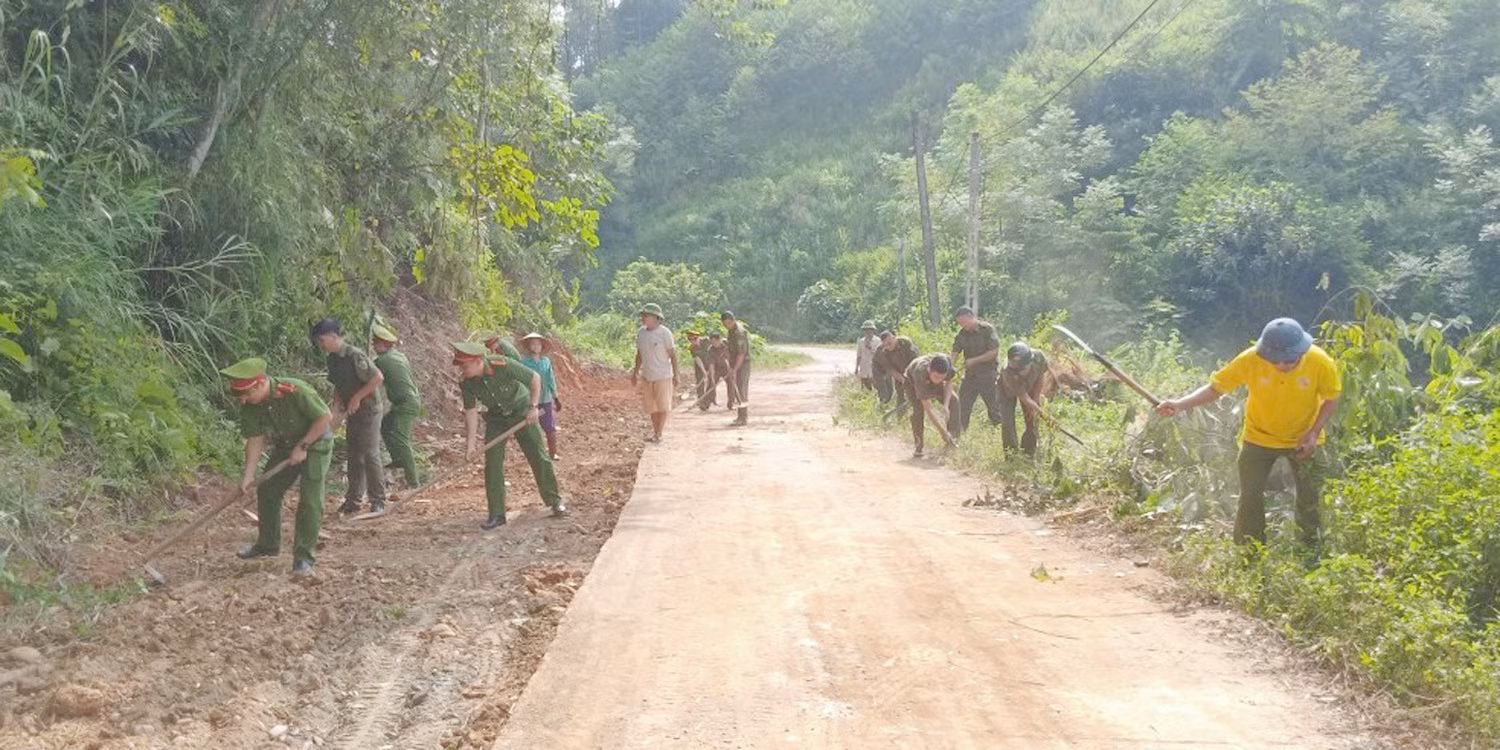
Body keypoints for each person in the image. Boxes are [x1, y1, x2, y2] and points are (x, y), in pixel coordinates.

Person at [1154, 318, 1341, 547]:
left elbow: (1331, 398)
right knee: (1250, 497)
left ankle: (1310, 550)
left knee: (1309, 497)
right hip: (1258, 437)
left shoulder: (1320, 362)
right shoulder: (1250, 359)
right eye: (1275, 360)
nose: (1282, 365)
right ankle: (1249, 550)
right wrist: (1180, 404)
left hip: (1303, 439)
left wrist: (1313, 433)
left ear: (1301, 351)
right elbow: (1216, 388)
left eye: (1289, 360)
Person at [221, 357, 333, 575]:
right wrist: (248, 476)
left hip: (316, 443)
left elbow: (324, 417)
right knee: (268, 489)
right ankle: (268, 544)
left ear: (261, 383)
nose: (243, 401)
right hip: (287, 445)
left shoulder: (295, 390)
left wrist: (303, 446)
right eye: (240, 396)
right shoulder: (251, 404)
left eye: (246, 394)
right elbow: (255, 439)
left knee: (310, 500)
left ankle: (303, 558)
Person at [453, 341, 566, 529]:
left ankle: (555, 501)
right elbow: (471, 412)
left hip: (522, 412)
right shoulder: (467, 383)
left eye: (465, 366)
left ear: (478, 361)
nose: (462, 371)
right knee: (493, 462)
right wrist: (470, 446)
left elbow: (534, 378)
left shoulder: (501, 364)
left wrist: (533, 407)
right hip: (496, 418)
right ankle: (497, 514)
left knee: (538, 456)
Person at [311, 318, 387, 516]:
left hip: (369, 410)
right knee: (354, 454)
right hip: (351, 410)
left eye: (322, 340)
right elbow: (338, 385)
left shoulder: (354, 355)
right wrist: (336, 407)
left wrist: (357, 398)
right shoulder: (332, 359)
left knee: (369, 453)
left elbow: (377, 377)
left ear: (333, 336)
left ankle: (378, 500)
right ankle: (353, 501)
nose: (321, 344)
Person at [372, 324, 424, 488]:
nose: (373, 345)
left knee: (402, 440)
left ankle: (413, 481)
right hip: (408, 401)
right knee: (385, 425)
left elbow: (369, 377)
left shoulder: (382, 361)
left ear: (384, 344)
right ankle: (398, 459)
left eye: (376, 343)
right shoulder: (400, 356)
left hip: (405, 403)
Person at [949, 306, 1002, 435]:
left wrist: (974, 361)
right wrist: (949, 369)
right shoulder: (962, 334)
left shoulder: (987, 330)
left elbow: (993, 352)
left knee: (995, 410)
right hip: (970, 377)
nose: (963, 326)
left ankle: (1001, 436)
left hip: (988, 376)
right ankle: (958, 436)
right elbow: (954, 352)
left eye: (964, 322)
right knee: (962, 408)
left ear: (971, 316)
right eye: (960, 324)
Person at [631, 303, 679, 443]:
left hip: (663, 375)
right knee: (652, 407)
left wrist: (676, 374)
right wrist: (635, 372)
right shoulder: (641, 333)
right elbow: (639, 354)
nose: (643, 318)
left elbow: (673, 355)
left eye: (646, 315)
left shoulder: (665, 333)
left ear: (655, 317)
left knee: (662, 406)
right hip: (647, 375)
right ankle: (655, 432)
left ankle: (659, 433)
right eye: (643, 315)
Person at [999, 342, 1051, 456]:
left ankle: (1029, 452)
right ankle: (1011, 454)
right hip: (1005, 390)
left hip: (1029, 384)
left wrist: (1036, 399)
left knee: (1033, 419)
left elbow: (1040, 377)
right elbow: (1024, 398)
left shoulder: (1038, 357)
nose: (1019, 372)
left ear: (1030, 363)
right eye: (1016, 370)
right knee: (1007, 421)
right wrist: (1044, 415)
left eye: (1022, 369)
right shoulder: (1008, 372)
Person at [903, 354, 960, 459]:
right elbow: (929, 408)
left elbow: (948, 383)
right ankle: (919, 446)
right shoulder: (920, 372)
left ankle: (953, 440)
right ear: (929, 370)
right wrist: (943, 432)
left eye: (942, 377)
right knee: (918, 411)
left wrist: (946, 405)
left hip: (932, 382)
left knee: (954, 400)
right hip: (912, 383)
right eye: (936, 377)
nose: (939, 380)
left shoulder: (947, 365)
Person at [519, 332, 562, 460]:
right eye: (533, 344)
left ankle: (553, 453)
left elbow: (550, 378)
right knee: (531, 428)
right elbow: (521, 379)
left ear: (542, 346)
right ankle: (535, 455)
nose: (536, 346)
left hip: (545, 398)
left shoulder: (546, 361)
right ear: (529, 346)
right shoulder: (524, 362)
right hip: (530, 399)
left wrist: (555, 397)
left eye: (538, 344)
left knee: (549, 426)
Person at [873, 330, 918, 412]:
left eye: (889, 343)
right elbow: (891, 370)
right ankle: (884, 409)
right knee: (888, 391)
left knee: (914, 388)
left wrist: (912, 379)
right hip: (879, 368)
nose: (888, 347)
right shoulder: (881, 352)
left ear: (894, 338)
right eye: (885, 345)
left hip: (905, 366)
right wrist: (904, 380)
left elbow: (915, 362)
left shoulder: (906, 343)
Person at [722, 311, 751, 426]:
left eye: (728, 323)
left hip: (743, 364)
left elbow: (741, 354)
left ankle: (743, 417)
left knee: (741, 389)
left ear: (733, 320)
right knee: (737, 388)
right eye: (725, 324)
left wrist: (734, 370)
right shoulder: (731, 331)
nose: (727, 326)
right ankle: (740, 416)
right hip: (734, 362)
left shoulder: (740, 332)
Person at [702, 331, 730, 411]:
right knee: (711, 384)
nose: (713, 344)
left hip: (727, 367)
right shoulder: (711, 350)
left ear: (719, 339)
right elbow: (711, 365)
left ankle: (731, 403)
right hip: (717, 368)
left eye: (714, 342)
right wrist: (713, 379)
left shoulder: (727, 344)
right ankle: (705, 404)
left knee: (731, 383)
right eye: (711, 342)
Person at [686, 331, 711, 404]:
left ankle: (709, 399)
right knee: (700, 381)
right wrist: (704, 372)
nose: (693, 341)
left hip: (710, 362)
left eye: (695, 339)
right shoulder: (692, 348)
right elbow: (698, 359)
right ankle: (700, 399)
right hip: (700, 366)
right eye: (690, 340)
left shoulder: (707, 341)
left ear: (698, 337)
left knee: (711, 381)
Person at [855, 321, 880, 390]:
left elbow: (879, 354)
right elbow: (859, 355)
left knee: (876, 386)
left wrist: (869, 347)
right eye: (866, 330)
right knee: (865, 387)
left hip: (874, 368)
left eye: (870, 330)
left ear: (873, 330)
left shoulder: (878, 341)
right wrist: (856, 367)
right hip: (864, 368)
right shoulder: (861, 341)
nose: (868, 332)